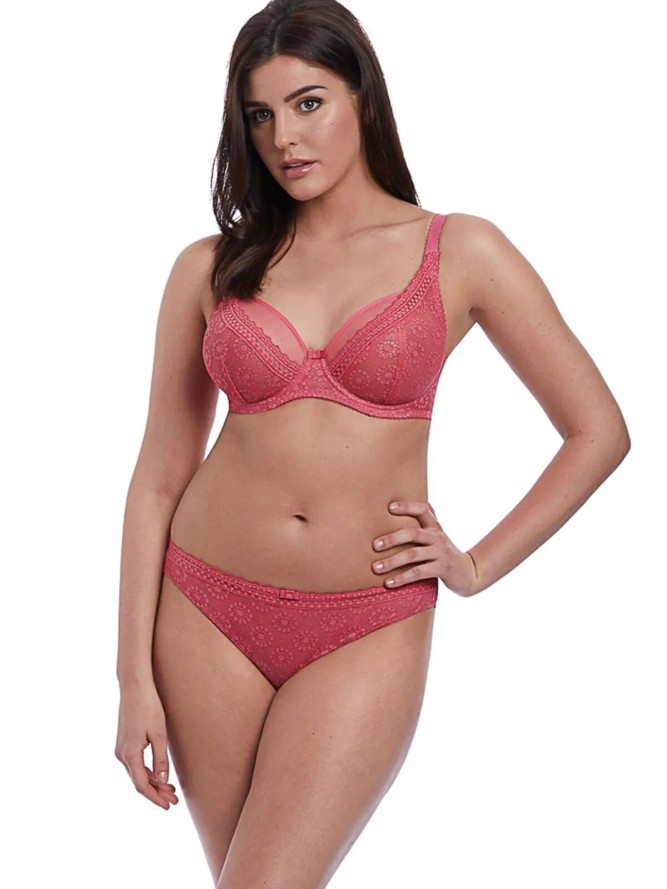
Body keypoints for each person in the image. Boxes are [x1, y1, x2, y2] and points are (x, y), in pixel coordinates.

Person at [114, 0, 631, 886]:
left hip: (365, 623)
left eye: (308, 103)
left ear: (363, 96)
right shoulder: (211, 265)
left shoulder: (460, 250)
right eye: (260, 114)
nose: (284, 138)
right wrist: (131, 681)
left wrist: (475, 564)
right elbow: (157, 478)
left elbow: (597, 430)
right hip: (202, 610)